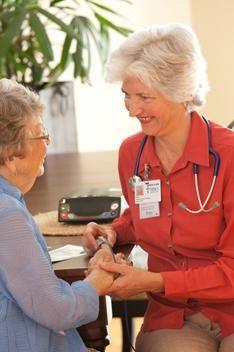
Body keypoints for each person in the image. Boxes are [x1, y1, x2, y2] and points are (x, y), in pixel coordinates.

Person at [82, 23, 234, 352]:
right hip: (174, 315)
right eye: (127, 95)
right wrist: (113, 234)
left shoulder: (229, 156)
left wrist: (156, 281)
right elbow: (145, 215)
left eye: (145, 97)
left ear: (181, 93)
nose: (132, 109)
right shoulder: (132, 153)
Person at [0, 78, 114, 352]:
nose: (47, 144)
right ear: (12, 153)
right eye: (41, 134)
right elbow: (56, 309)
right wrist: (95, 283)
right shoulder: (7, 216)